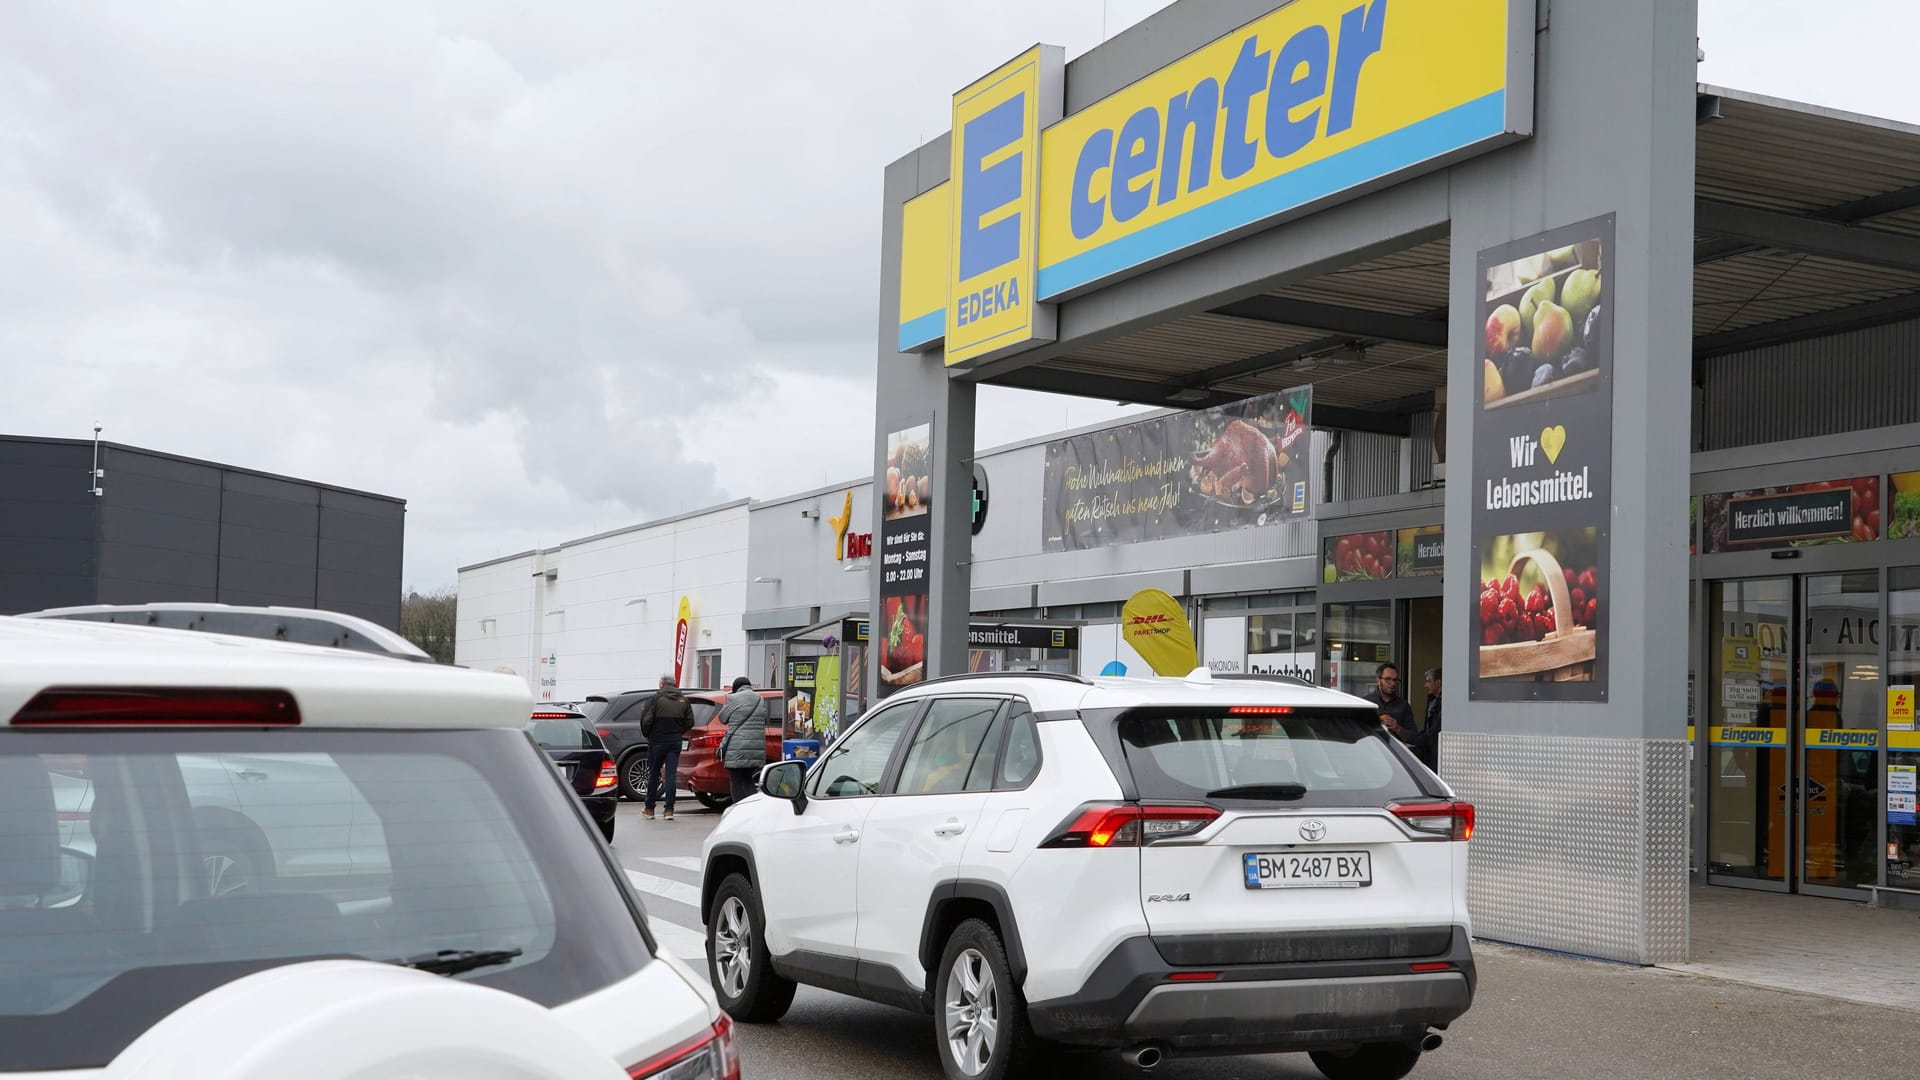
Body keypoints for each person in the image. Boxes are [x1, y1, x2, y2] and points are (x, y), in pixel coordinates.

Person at [639, 675, 693, 821]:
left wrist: (649, 735)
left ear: (661, 684)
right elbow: (690, 722)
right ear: (674, 685)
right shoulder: (684, 700)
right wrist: (678, 732)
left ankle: (649, 808)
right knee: (670, 775)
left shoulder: (655, 699)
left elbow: (646, 720)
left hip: (657, 741)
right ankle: (669, 810)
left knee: (654, 773)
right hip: (675, 741)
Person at [716, 676, 771, 807]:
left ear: (736, 688)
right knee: (748, 781)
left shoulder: (733, 698)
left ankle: (738, 810)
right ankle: (752, 809)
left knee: (736, 781)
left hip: (737, 748)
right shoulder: (760, 699)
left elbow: (722, 718)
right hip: (756, 749)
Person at [1363, 662, 1417, 742]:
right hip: (1372, 751)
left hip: (1395, 753)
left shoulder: (1403, 705)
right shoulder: (1366, 703)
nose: (1392, 683)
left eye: (1395, 680)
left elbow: (1414, 738)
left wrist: (1398, 728)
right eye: (1388, 679)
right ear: (1378, 681)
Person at [1409, 667, 1442, 771]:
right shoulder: (1432, 699)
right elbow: (1427, 728)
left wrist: (1415, 740)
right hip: (1429, 752)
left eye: (1428, 682)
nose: (1425, 685)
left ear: (1438, 682)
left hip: (1438, 753)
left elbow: (1434, 731)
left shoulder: (1444, 703)